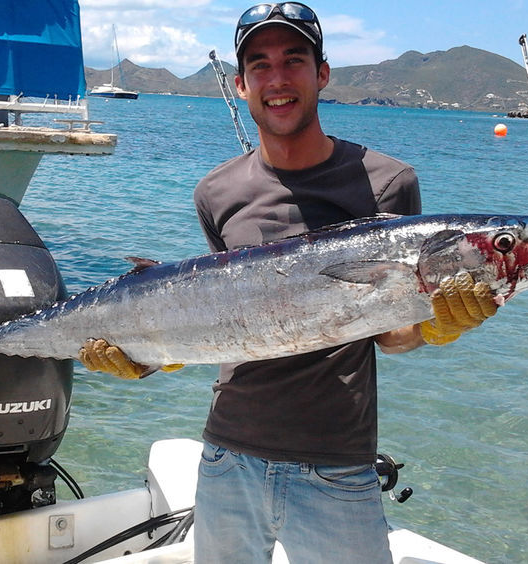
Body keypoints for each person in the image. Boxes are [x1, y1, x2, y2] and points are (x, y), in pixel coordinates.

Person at [79, 3, 498, 562]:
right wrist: (150, 354)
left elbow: (391, 333)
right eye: (260, 65)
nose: (277, 79)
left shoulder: (389, 183)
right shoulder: (216, 192)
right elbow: (217, 317)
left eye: (293, 60)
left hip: (338, 465)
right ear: (241, 83)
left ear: (322, 73)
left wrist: (436, 326)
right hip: (227, 455)